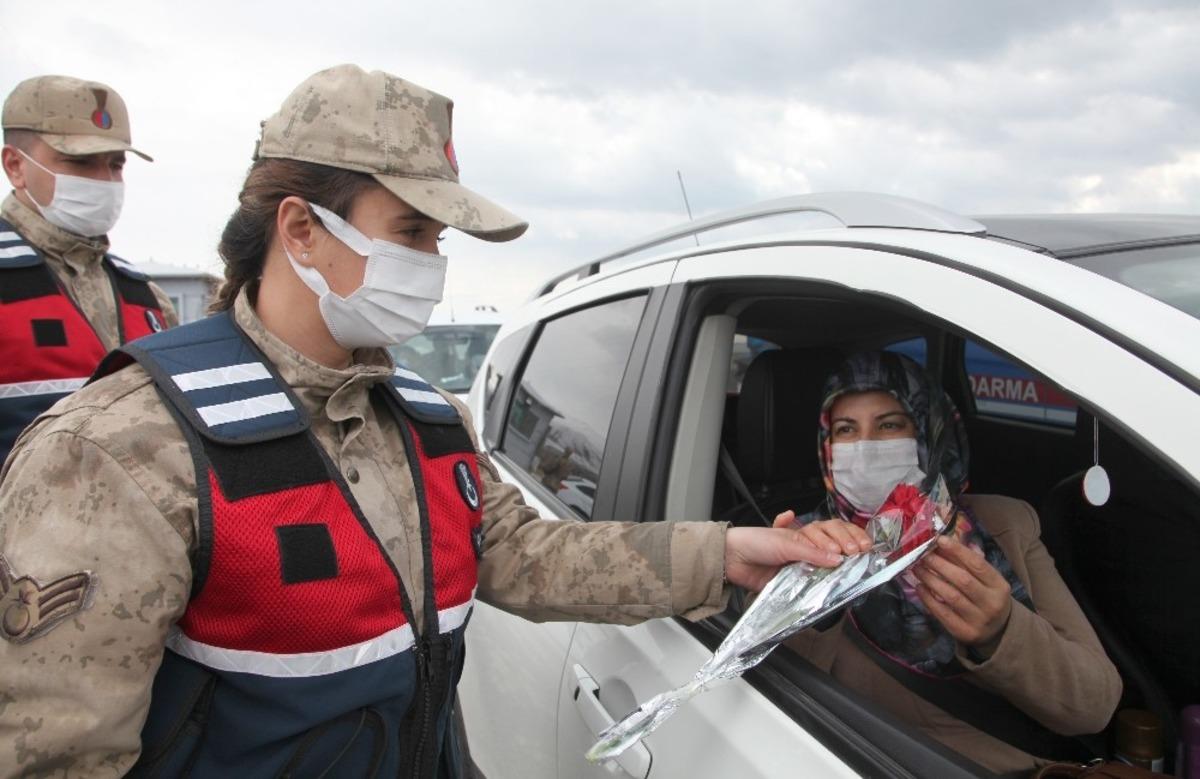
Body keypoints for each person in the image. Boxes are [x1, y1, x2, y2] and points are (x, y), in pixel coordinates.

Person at [0, 65, 857, 778]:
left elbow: (522, 554)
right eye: (409, 230)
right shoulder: (119, 449)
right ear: (300, 229)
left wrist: (725, 551)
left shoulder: (425, 419)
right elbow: (58, 755)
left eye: (437, 239)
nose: (430, 265)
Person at [778, 351, 1122, 774]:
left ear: (929, 431)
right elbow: (781, 708)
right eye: (846, 430)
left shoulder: (1005, 525)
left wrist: (1001, 633)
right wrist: (814, 593)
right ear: (826, 446)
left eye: (889, 425)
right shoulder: (805, 549)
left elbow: (1094, 707)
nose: (865, 448)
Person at [0, 75, 177, 463]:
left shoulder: (148, 299)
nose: (104, 181)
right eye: (80, 162)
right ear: (15, 165)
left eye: (115, 165)